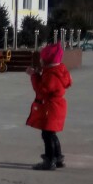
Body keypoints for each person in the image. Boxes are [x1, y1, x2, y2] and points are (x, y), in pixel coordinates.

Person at [25, 43, 72, 171]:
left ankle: (50, 160)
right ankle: (57, 157)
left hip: (51, 108)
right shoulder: (57, 70)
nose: (40, 60)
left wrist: (34, 76)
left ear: (47, 60)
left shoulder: (51, 75)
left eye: (42, 58)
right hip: (56, 107)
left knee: (47, 134)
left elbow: (41, 90)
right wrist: (39, 73)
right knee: (51, 133)